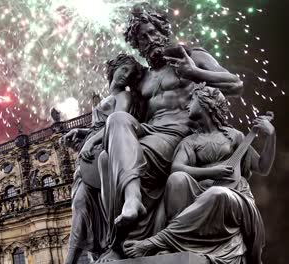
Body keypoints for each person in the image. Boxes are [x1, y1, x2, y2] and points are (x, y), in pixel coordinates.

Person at [96, 6, 244, 261]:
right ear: (137, 45)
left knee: (118, 158)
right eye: (142, 37)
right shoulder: (141, 79)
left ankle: (132, 227)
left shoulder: (192, 56)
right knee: (106, 152)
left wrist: (195, 73)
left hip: (180, 133)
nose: (150, 39)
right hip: (150, 130)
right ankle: (129, 212)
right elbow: (120, 108)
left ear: (163, 32)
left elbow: (235, 84)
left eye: (152, 32)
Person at [122, 84, 275, 264]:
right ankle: (174, 245)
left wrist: (271, 135)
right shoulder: (191, 141)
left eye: (192, 100)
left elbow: (263, 167)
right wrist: (212, 171)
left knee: (217, 194)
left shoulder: (235, 137)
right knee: (177, 179)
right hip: (201, 194)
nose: (187, 105)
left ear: (206, 103)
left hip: (233, 198)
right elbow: (177, 168)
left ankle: (157, 241)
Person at [61, 54, 146, 264]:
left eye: (129, 74)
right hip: (90, 157)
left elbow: (117, 121)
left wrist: (90, 141)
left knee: (93, 205)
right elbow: (97, 126)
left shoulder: (124, 97)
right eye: (123, 70)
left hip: (107, 150)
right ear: (113, 69)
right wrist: (81, 133)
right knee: (79, 205)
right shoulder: (106, 100)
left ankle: (106, 246)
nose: (124, 76)